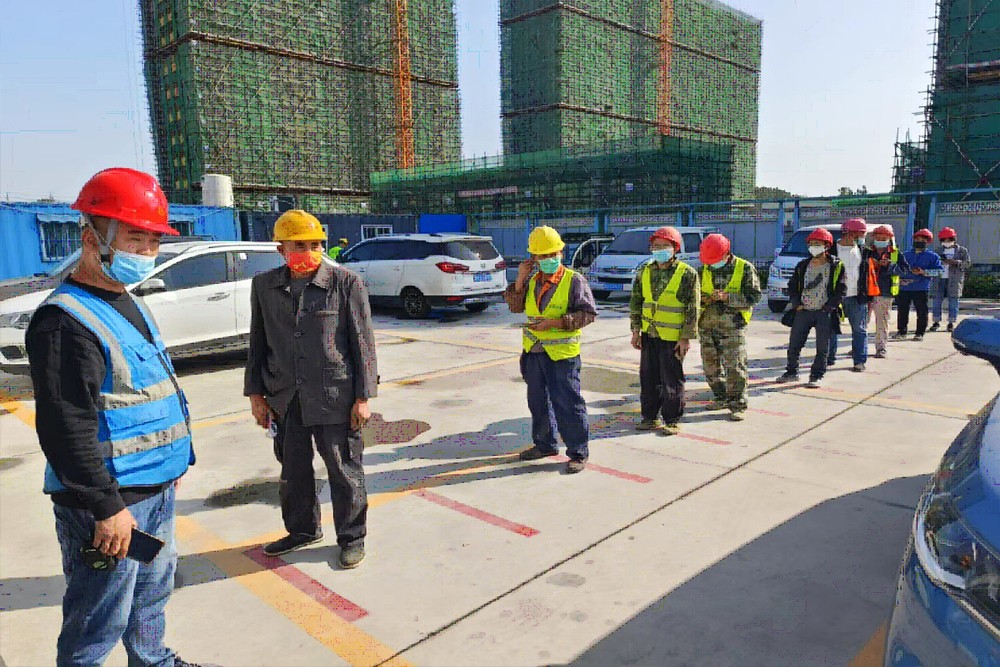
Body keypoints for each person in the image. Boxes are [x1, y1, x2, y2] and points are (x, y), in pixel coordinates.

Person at [25, 168, 203, 666]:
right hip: (109, 505)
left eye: (153, 240)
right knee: (97, 618)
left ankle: (153, 661)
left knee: (149, 598)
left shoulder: (127, 301)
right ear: (91, 239)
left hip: (152, 491)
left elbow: (144, 392)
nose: (146, 251)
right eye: (134, 238)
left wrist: (170, 465)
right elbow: (64, 427)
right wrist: (106, 507)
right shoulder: (65, 321)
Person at [244, 210, 377, 568]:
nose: (310, 252)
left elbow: (363, 344)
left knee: (344, 471)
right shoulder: (264, 286)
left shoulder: (345, 283)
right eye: (300, 245)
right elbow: (258, 343)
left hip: (335, 396)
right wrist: (256, 395)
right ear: (281, 249)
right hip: (285, 397)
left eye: (316, 244)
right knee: (293, 472)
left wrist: (363, 397)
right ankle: (302, 530)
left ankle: (352, 537)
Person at [505, 226, 598, 474]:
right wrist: (520, 278)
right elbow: (515, 306)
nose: (548, 259)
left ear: (561, 253)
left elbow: (588, 314)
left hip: (562, 356)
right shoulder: (532, 280)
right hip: (534, 351)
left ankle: (578, 452)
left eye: (552, 254)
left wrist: (555, 323)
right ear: (533, 258)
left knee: (568, 404)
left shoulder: (573, 280)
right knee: (538, 403)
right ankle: (544, 444)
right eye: (542, 256)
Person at [630, 226, 700, 435]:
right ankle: (649, 417)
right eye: (656, 246)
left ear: (675, 248)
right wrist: (635, 331)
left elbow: (693, 308)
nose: (660, 250)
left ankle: (672, 419)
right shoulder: (645, 270)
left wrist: (685, 338)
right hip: (649, 334)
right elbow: (636, 301)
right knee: (648, 379)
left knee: (672, 380)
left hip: (673, 337)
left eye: (665, 246)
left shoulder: (687, 274)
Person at [697, 233, 761, 421]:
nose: (712, 264)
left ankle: (737, 404)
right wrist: (705, 299)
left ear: (727, 253)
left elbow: (754, 298)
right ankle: (720, 396)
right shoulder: (704, 269)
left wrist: (727, 297)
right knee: (710, 367)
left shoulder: (744, 268)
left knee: (735, 366)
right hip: (707, 326)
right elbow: (694, 296)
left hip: (732, 327)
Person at [776, 228, 846, 388]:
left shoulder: (836, 266)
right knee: (794, 345)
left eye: (817, 243)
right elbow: (792, 286)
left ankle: (816, 376)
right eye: (811, 244)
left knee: (822, 348)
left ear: (827, 246)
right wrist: (796, 304)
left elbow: (841, 290)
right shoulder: (802, 265)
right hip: (804, 311)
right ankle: (791, 372)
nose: (813, 247)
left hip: (824, 313)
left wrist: (829, 307)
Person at [828, 218, 876, 372]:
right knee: (830, 330)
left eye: (863, 235)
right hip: (835, 298)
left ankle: (859, 361)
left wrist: (869, 296)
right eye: (859, 234)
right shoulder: (831, 251)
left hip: (857, 297)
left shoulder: (864, 251)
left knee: (859, 330)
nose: (861, 238)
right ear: (848, 233)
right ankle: (829, 358)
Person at [895, 229, 944, 342]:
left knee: (921, 311)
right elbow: (897, 269)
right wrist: (900, 279)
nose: (919, 241)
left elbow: (939, 271)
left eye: (923, 240)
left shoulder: (933, 256)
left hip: (921, 288)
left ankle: (919, 333)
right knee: (902, 310)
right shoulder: (905, 255)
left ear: (928, 242)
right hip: (904, 287)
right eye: (917, 239)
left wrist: (923, 272)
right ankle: (901, 331)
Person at [868, 225, 909, 358]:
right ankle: (859, 347)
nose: (880, 240)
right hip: (866, 292)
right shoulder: (867, 252)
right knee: (862, 322)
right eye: (878, 238)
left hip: (884, 292)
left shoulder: (895, 253)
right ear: (874, 238)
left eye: (883, 238)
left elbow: (905, 270)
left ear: (889, 239)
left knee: (882, 322)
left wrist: (890, 265)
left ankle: (881, 348)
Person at [930, 227, 971, 333]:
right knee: (937, 301)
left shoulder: (962, 251)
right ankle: (936, 322)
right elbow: (931, 264)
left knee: (953, 301)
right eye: (944, 240)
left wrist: (955, 262)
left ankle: (951, 323)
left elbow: (967, 263)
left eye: (949, 239)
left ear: (953, 239)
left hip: (954, 280)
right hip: (939, 279)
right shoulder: (938, 251)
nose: (947, 242)